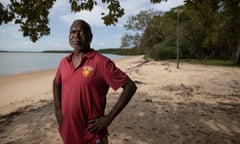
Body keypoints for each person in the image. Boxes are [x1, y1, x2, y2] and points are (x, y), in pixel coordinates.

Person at [53, 19, 137, 144]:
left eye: (81, 32)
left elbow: (130, 86)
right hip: (69, 133)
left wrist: (109, 118)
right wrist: (58, 110)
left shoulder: (101, 62)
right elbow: (56, 83)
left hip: (92, 136)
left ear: (90, 37)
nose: (76, 35)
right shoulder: (64, 62)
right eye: (73, 32)